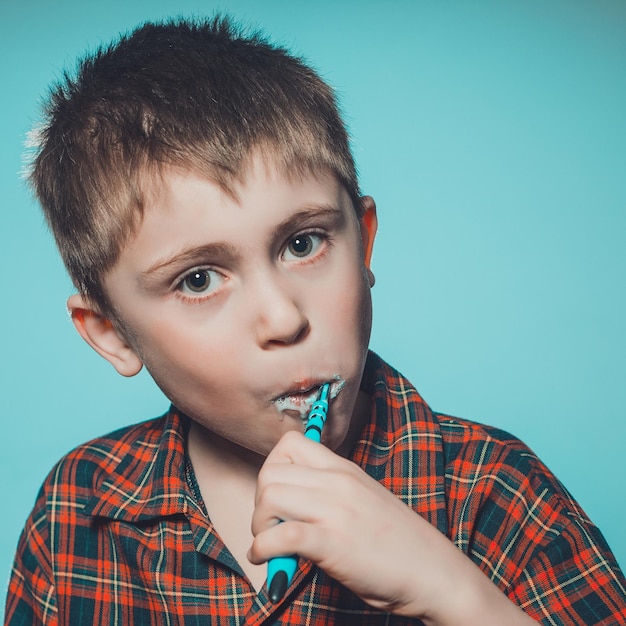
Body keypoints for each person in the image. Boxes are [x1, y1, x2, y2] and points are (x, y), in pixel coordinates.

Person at [5, 15, 626, 626]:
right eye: (198, 280)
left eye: (303, 244)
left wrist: (455, 596)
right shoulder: (77, 511)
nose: (282, 318)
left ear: (365, 244)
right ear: (110, 333)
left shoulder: (499, 497)